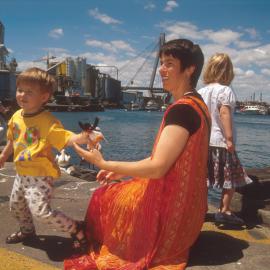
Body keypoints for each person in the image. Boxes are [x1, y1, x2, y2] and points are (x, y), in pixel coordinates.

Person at [64, 39, 211, 270]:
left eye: (169, 64)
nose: (162, 69)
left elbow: (157, 168)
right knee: (116, 188)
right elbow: (162, 161)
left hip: (171, 216)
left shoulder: (181, 110)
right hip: (190, 212)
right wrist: (114, 170)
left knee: (104, 197)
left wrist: (104, 162)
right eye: (161, 63)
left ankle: (91, 236)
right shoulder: (198, 105)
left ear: (190, 69)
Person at [0, 67, 89, 252]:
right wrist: (3, 155)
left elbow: (66, 137)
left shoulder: (48, 122)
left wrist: (82, 137)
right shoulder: (17, 116)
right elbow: (12, 138)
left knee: (41, 212)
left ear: (44, 97)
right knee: (16, 206)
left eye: (29, 92)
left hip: (39, 175)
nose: (22, 95)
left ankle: (76, 228)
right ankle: (27, 231)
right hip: (21, 173)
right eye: (20, 90)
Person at [198, 53, 252, 225]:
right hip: (221, 142)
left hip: (203, 142)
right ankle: (224, 211)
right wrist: (229, 139)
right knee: (232, 179)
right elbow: (224, 113)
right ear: (228, 71)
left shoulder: (201, 92)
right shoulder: (225, 90)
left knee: (203, 180)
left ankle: (200, 211)